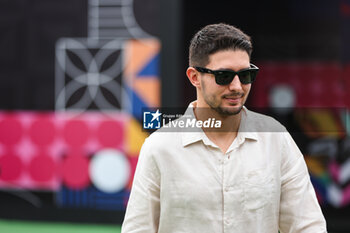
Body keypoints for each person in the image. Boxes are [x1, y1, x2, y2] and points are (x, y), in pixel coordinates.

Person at [121, 23, 327, 233]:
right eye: (224, 76)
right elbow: (138, 229)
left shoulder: (275, 137)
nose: (237, 86)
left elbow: (308, 226)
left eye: (246, 75)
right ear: (194, 77)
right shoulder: (160, 146)